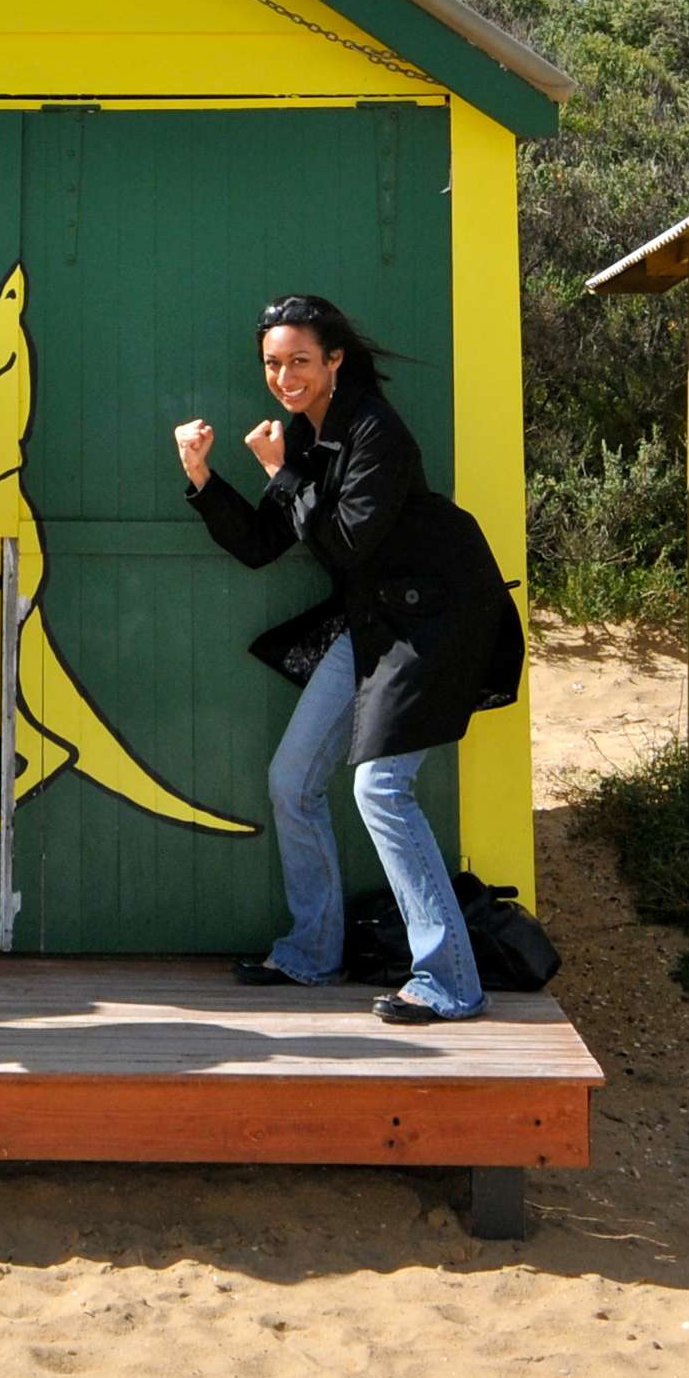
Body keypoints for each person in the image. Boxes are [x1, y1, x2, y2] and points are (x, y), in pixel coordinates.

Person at [174, 293, 527, 1024]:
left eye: (300, 360)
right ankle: (311, 954)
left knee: (381, 789)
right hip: (370, 622)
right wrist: (204, 477)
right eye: (273, 363)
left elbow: (343, 544)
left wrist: (279, 471)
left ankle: (449, 983)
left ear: (334, 361)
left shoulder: (375, 432)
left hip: (437, 617)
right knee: (291, 781)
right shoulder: (306, 437)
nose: (284, 375)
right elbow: (262, 547)